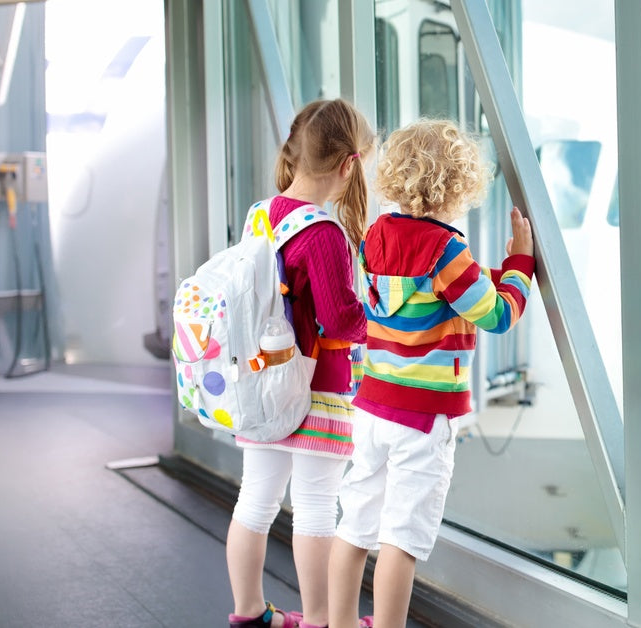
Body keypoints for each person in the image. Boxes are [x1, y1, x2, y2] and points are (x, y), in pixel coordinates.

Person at [327, 119, 535, 628]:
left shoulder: (375, 236)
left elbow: (423, 290)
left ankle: (338, 623)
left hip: (372, 408)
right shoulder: (446, 251)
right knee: (401, 537)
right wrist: (520, 263)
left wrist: (484, 272)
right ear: (460, 187)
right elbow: (498, 314)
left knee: (355, 524)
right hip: (422, 420)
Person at [226, 98, 373, 628]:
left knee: (256, 500)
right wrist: (374, 322)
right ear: (348, 165)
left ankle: (248, 611)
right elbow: (338, 320)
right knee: (315, 507)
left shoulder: (260, 215)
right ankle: (318, 620)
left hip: (262, 380)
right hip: (319, 388)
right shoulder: (325, 234)